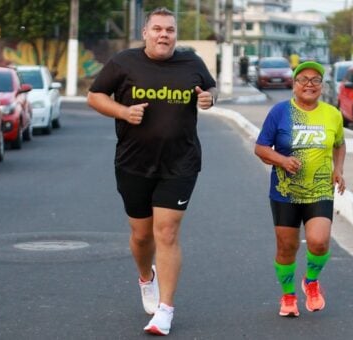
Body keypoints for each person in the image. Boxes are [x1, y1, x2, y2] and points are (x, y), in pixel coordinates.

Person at [87, 7, 217, 336]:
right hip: (133, 162)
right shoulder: (123, 63)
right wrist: (122, 111)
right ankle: (147, 277)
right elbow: (94, 95)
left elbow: (211, 90)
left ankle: (165, 310)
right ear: (145, 33)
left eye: (170, 30)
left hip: (180, 162)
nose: (164, 35)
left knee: (167, 233)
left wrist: (208, 100)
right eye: (157, 29)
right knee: (142, 235)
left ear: (176, 35)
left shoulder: (192, 63)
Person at [254, 61, 346, 317]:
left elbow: (339, 143)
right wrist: (282, 160)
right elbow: (260, 148)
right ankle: (288, 295)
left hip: (319, 190)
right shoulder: (280, 112)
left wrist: (338, 169)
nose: (309, 84)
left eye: (316, 80)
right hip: (285, 192)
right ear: (294, 85)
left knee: (319, 242)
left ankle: (311, 281)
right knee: (287, 247)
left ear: (322, 86)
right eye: (303, 79)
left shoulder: (332, 114)